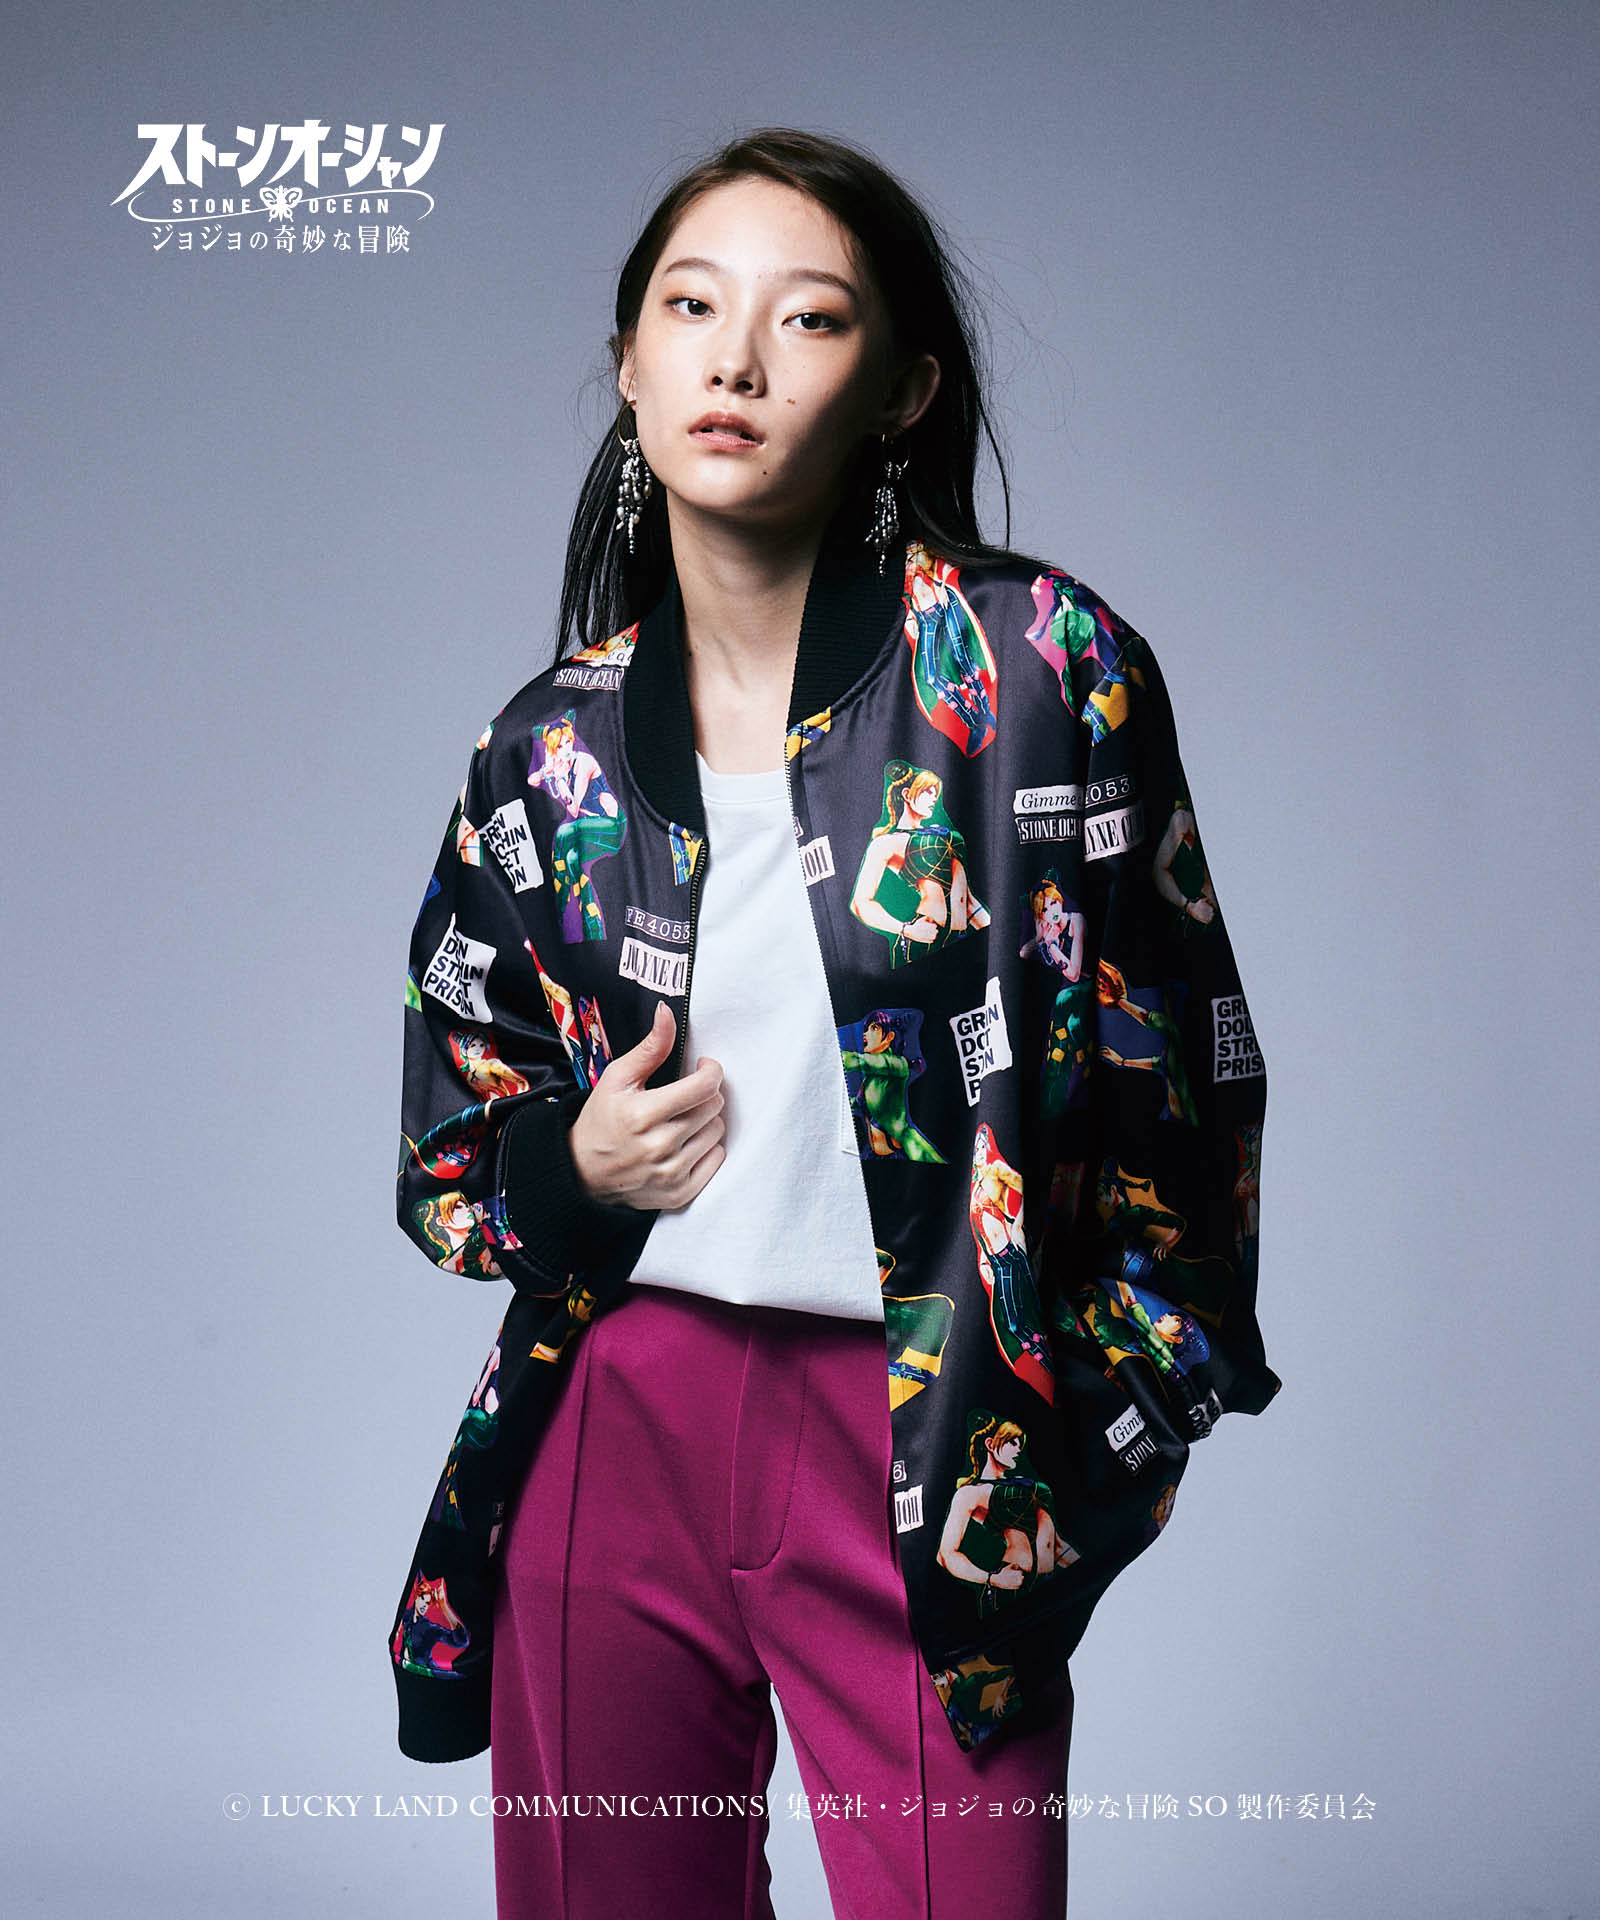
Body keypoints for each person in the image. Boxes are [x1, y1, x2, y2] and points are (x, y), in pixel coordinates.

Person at [388, 126, 1280, 1919]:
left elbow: (1186, 1085)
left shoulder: (1040, 673)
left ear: (901, 390)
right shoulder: (545, 749)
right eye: (689, 308)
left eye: (807, 318)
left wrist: (1092, 1446)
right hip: (617, 1418)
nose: (733, 359)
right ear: (629, 362)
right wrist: (571, 1165)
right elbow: (448, 1156)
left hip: (933, 1429)